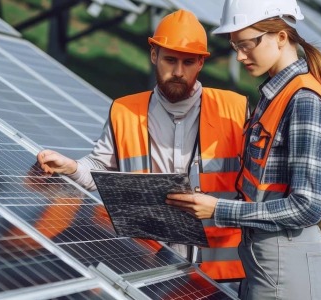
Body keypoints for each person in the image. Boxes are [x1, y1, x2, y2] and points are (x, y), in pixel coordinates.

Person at [36, 10, 247, 282]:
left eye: (188, 62)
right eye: (170, 60)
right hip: (147, 267)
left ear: (201, 64)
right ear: (153, 55)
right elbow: (100, 169)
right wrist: (73, 167)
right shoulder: (124, 111)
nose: (179, 72)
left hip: (221, 276)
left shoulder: (235, 110)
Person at [166, 0, 321, 299]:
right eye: (235, 46)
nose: (239, 56)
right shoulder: (276, 95)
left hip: (286, 260)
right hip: (265, 258)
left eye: (246, 45)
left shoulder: (305, 101)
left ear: (281, 37)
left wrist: (218, 209)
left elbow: (307, 207)